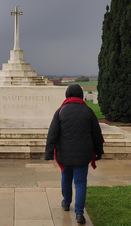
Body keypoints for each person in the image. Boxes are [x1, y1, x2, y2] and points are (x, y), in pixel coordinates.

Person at [45, 84, 104, 224]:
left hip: (65, 153)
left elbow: (53, 134)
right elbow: (97, 135)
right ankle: (79, 214)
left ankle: (66, 203)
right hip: (83, 154)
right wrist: (99, 151)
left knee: (66, 178)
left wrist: (48, 153)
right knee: (80, 182)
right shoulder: (88, 111)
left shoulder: (61, 111)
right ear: (81, 95)